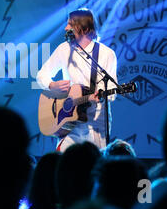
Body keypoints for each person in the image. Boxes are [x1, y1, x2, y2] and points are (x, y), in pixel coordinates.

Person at [36, 8, 118, 152]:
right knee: (64, 166)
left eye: (70, 24)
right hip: (68, 122)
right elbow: (41, 74)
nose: (66, 28)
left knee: (94, 167)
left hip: (96, 124)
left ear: (84, 29)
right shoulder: (64, 49)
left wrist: (101, 95)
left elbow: (112, 91)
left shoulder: (106, 54)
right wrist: (52, 84)